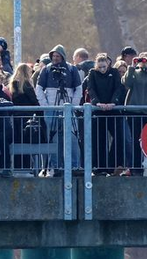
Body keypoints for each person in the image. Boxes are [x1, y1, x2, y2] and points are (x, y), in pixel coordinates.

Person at [36, 45, 81, 174]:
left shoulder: (71, 69)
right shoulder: (46, 70)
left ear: (63, 56)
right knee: (54, 137)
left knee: (72, 137)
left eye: (57, 56)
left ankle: (74, 165)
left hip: (68, 109)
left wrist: (73, 105)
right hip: (52, 109)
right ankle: (55, 165)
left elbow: (78, 88)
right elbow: (38, 88)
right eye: (53, 56)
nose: (55, 58)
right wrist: (45, 106)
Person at [82, 53, 124, 173]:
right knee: (99, 139)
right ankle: (100, 167)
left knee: (118, 137)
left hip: (113, 110)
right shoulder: (92, 73)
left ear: (108, 65)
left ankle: (114, 165)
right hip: (98, 110)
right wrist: (97, 103)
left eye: (104, 67)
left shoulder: (114, 73)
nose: (102, 69)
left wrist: (113, 103)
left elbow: (118, 88)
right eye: (99, 67)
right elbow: (91, 89)